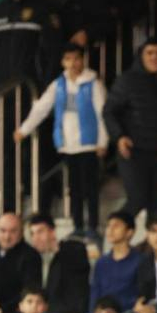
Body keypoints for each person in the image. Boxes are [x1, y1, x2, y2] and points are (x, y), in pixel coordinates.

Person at [15, 44, 109, 238]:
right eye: (68, 59)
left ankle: (93, 225)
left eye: (76, 58)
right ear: (62, 62)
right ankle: (78, 224)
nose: (73, 63)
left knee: (90, 187)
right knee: (74, 188)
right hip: (68, 144)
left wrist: (103, 141)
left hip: (89, 143)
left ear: (82, 60)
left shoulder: (93, 83)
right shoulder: (58, 85)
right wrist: (24, 129)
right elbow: (41, 108)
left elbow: (103, 113)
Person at [103, 39, 157, 218]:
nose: (154, 57)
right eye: (149, 53)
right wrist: (119, 137)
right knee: (137, 199)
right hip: (133, 150)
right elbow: (109, 112)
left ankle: (152, 238)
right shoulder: (126, 81)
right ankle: (115, 228)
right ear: (141, 56)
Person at [25, 215, 91, 313]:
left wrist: (56, 248)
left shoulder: (73, 249)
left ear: (52, 232)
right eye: (32, 234)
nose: (36, 238)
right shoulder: (37, 260)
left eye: (40, 232)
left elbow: (78, 260)